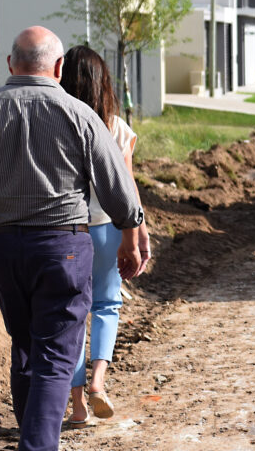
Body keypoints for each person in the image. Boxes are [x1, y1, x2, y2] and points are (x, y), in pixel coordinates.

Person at [0, 26, 144, 451]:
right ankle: (39, 445)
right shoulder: (80, 115)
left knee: (26, 343)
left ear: (10, 64)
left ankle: (33, 435)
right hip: (63, 248)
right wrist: (132, 235)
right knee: (56, 355)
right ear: (59, 67)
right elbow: (119, 192)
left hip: (2, 250)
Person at [58, 45, 150, 426]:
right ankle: (99, 382)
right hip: (110, 230)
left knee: (72, 315)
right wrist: (140, 235)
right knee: (107, 306)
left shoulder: (58, 121)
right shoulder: (115, 128)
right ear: (104, 83)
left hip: (68, 231)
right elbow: (128, 189)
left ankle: (77, 405)